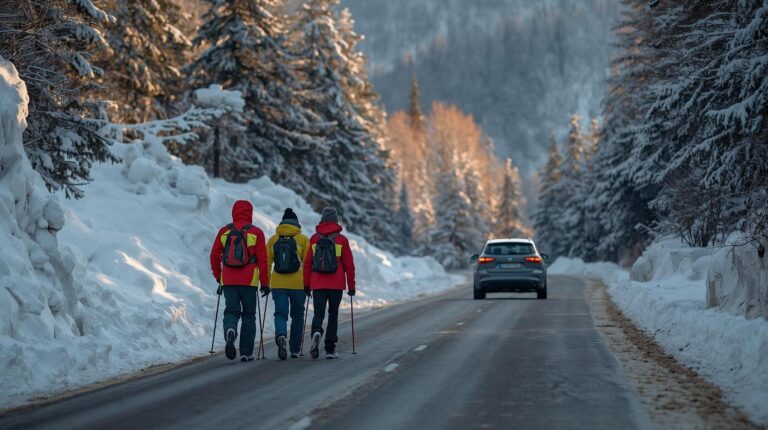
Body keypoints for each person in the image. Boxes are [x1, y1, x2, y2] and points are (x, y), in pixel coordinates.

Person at [209, 200, 270, 361]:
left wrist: (218, 276)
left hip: (228, 280)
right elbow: (263, 260)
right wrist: (265, 283)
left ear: (234, 212)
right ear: (250, 213)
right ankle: (246, 353)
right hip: (249, 281)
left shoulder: (224, 231)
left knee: (231, 311)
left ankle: (231, 330)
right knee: (249, 315)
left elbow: (214, 255)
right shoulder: (256, 233)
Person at [303, 207, 356, 359]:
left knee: (318, 313)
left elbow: (307, 264)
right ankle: (330, 349)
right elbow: (349, 265)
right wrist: (351, 286)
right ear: (335, 221)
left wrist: (306, 285)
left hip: (318, 284)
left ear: (322, 220)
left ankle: (317, 332)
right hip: (336, 284)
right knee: (333, 314)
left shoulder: (314, 239)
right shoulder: (341, 240)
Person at [266, 208, 310, 360]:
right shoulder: (303, 239)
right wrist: (309, 283)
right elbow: (308, 264)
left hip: (278, 283)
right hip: (298, 284)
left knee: (280, 313)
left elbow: (267, 263)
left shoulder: (273, 240)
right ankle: (295, 350)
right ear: (297, 224)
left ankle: (281, 335)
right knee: (297, 315)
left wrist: (265, 282)